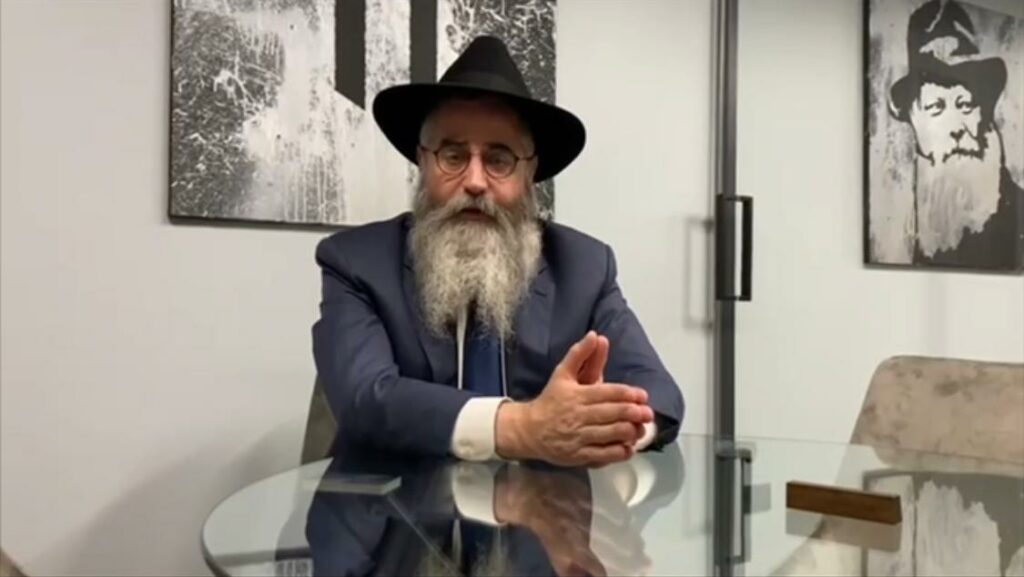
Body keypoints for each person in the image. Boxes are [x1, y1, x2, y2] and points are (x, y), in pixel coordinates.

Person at [312, 35, 683, 468]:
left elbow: (658, 390)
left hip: (541, 507)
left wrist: (607, 425)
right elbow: (364, 398)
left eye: (499, 159)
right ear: (422, 162)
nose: (474, 181)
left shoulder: (583, 266)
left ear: (529, 174)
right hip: (394, 504)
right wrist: (522, 427)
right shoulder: (355, 262)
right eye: (453, 156)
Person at [888, 0, 1023, 270]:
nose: (957, 126)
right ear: (913, 117)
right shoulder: (898, 216)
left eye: (965, 105)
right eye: (936, 107)